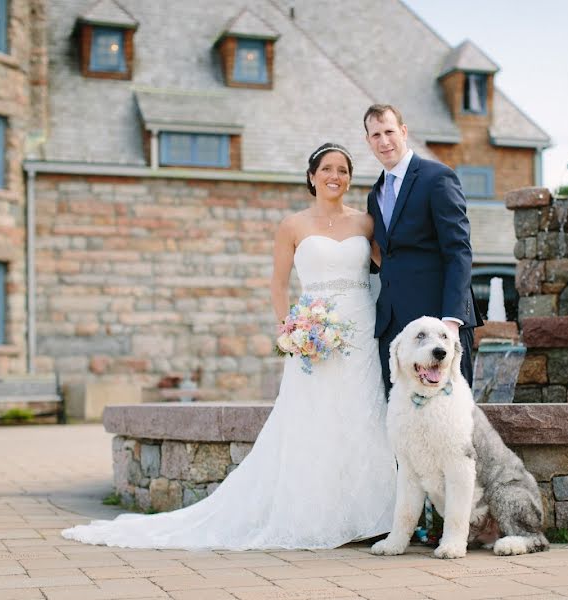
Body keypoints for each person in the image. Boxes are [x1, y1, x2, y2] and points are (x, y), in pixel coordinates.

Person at [61, 143, 397, 549]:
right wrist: (290, 329)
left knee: (363, 415)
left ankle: (372, 515)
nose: (335, 176)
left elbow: (389, 267)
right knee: (315, 421)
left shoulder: (365, 223)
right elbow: (277, 283)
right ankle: (319, 514)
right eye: (326, 168)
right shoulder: (293, 225)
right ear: (311, 176)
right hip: (315, 336)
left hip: (360, 330)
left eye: (343, 170)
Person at [363, 104, 483, 393]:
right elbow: (384, 256)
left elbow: (459, 251)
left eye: (389, 131)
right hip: (394, 330)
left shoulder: (437, 178)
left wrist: (451, 321)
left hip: (439, 324)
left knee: (449, 418)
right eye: (376, 134)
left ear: (403, 132)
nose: (384, 141)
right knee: (400, 417)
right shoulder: (374, 194)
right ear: (368, 141)